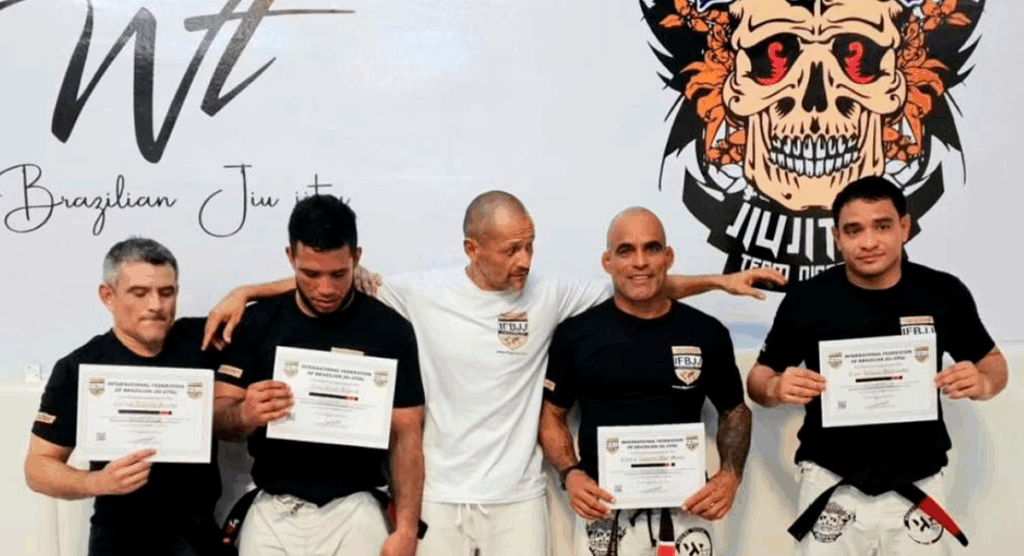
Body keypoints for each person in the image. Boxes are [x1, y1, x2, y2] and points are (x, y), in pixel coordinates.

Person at [207, 191, 783, 556]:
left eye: (529, 246)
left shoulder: (550, 294)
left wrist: (717, 281)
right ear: (472, 248)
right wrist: (247, 291)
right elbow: (332, 279)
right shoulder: (419, 293)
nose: (524, 260)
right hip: (438, 497)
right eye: (510, 250)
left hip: (518, 498)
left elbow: (640, 284)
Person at [746, 176, 1008, 555]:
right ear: (837, 237)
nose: (868, 242)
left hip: (919, 480)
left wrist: (983, 383)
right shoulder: (807, 299)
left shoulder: (943, 292)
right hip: (830, 480)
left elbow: (994, 364)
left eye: (882, 226)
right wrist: (775, 388)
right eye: (854, 230)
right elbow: (759, 378)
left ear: (904, 227)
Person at [212, 195, 425, 556]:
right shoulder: (256, 322)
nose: (325, 289)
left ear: (356, 258)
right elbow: (218, 415)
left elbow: (407, 435)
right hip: (272, 507)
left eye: (339, 274)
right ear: (290, 258)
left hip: (356, 507)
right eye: (310, 274)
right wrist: (245, 414)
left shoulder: (390, 330)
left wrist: (406, 528)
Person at [540, 207, 751, 556]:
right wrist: (570, 473)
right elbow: (551, 416)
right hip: (604, 511)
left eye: (651, 248)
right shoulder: (575, 334)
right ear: (608, 262)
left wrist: (731, 474)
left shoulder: (706, 332)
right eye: (626, 251)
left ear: (669, 257)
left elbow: (735, 410)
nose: (640, 262)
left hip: (687, 509)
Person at [24, 237, 223, 556]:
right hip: (120, 540)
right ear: (108, 296)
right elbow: (37, 467)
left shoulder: (203, 341)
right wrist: (97, 482)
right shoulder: (79, 367)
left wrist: (245, 294)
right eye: (139, 293)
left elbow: (297, 294)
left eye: (167, 292)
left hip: (198, 537)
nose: (156, 305)